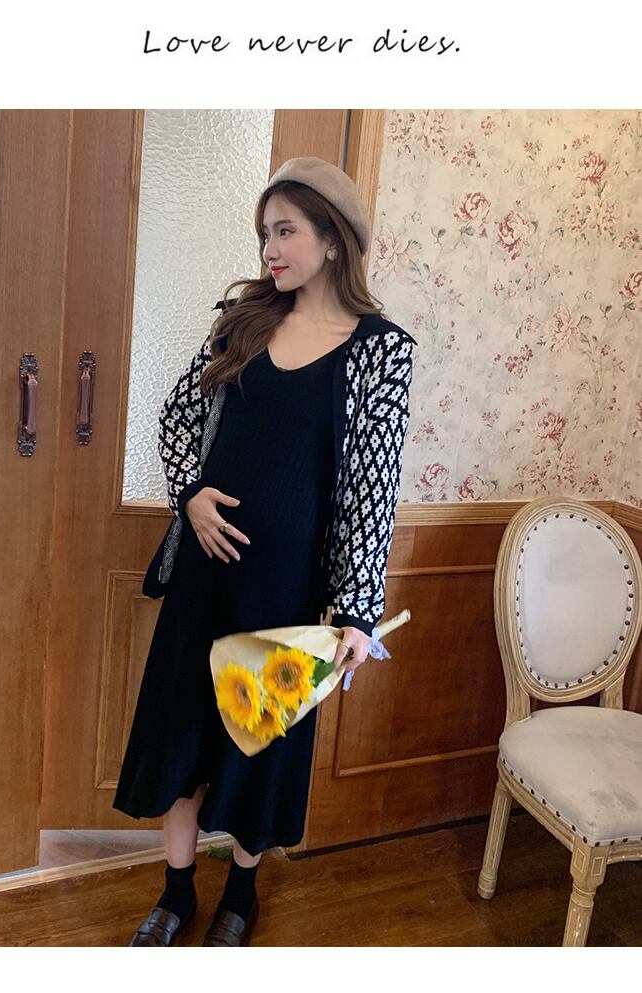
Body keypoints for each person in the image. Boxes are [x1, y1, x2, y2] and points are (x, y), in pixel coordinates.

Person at [113, 156, 416, 947]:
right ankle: (175, 893)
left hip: (288, 592)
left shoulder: (381, 351)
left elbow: (372, 486)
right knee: (182, 734)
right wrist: (190, 494)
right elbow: (177, 419)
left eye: (285, 231)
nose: (269, 249)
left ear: (333, 238)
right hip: (204, 579)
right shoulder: (242, 321)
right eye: (264, 234)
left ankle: (240, 897)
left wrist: (358, 612)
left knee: (260, 745)